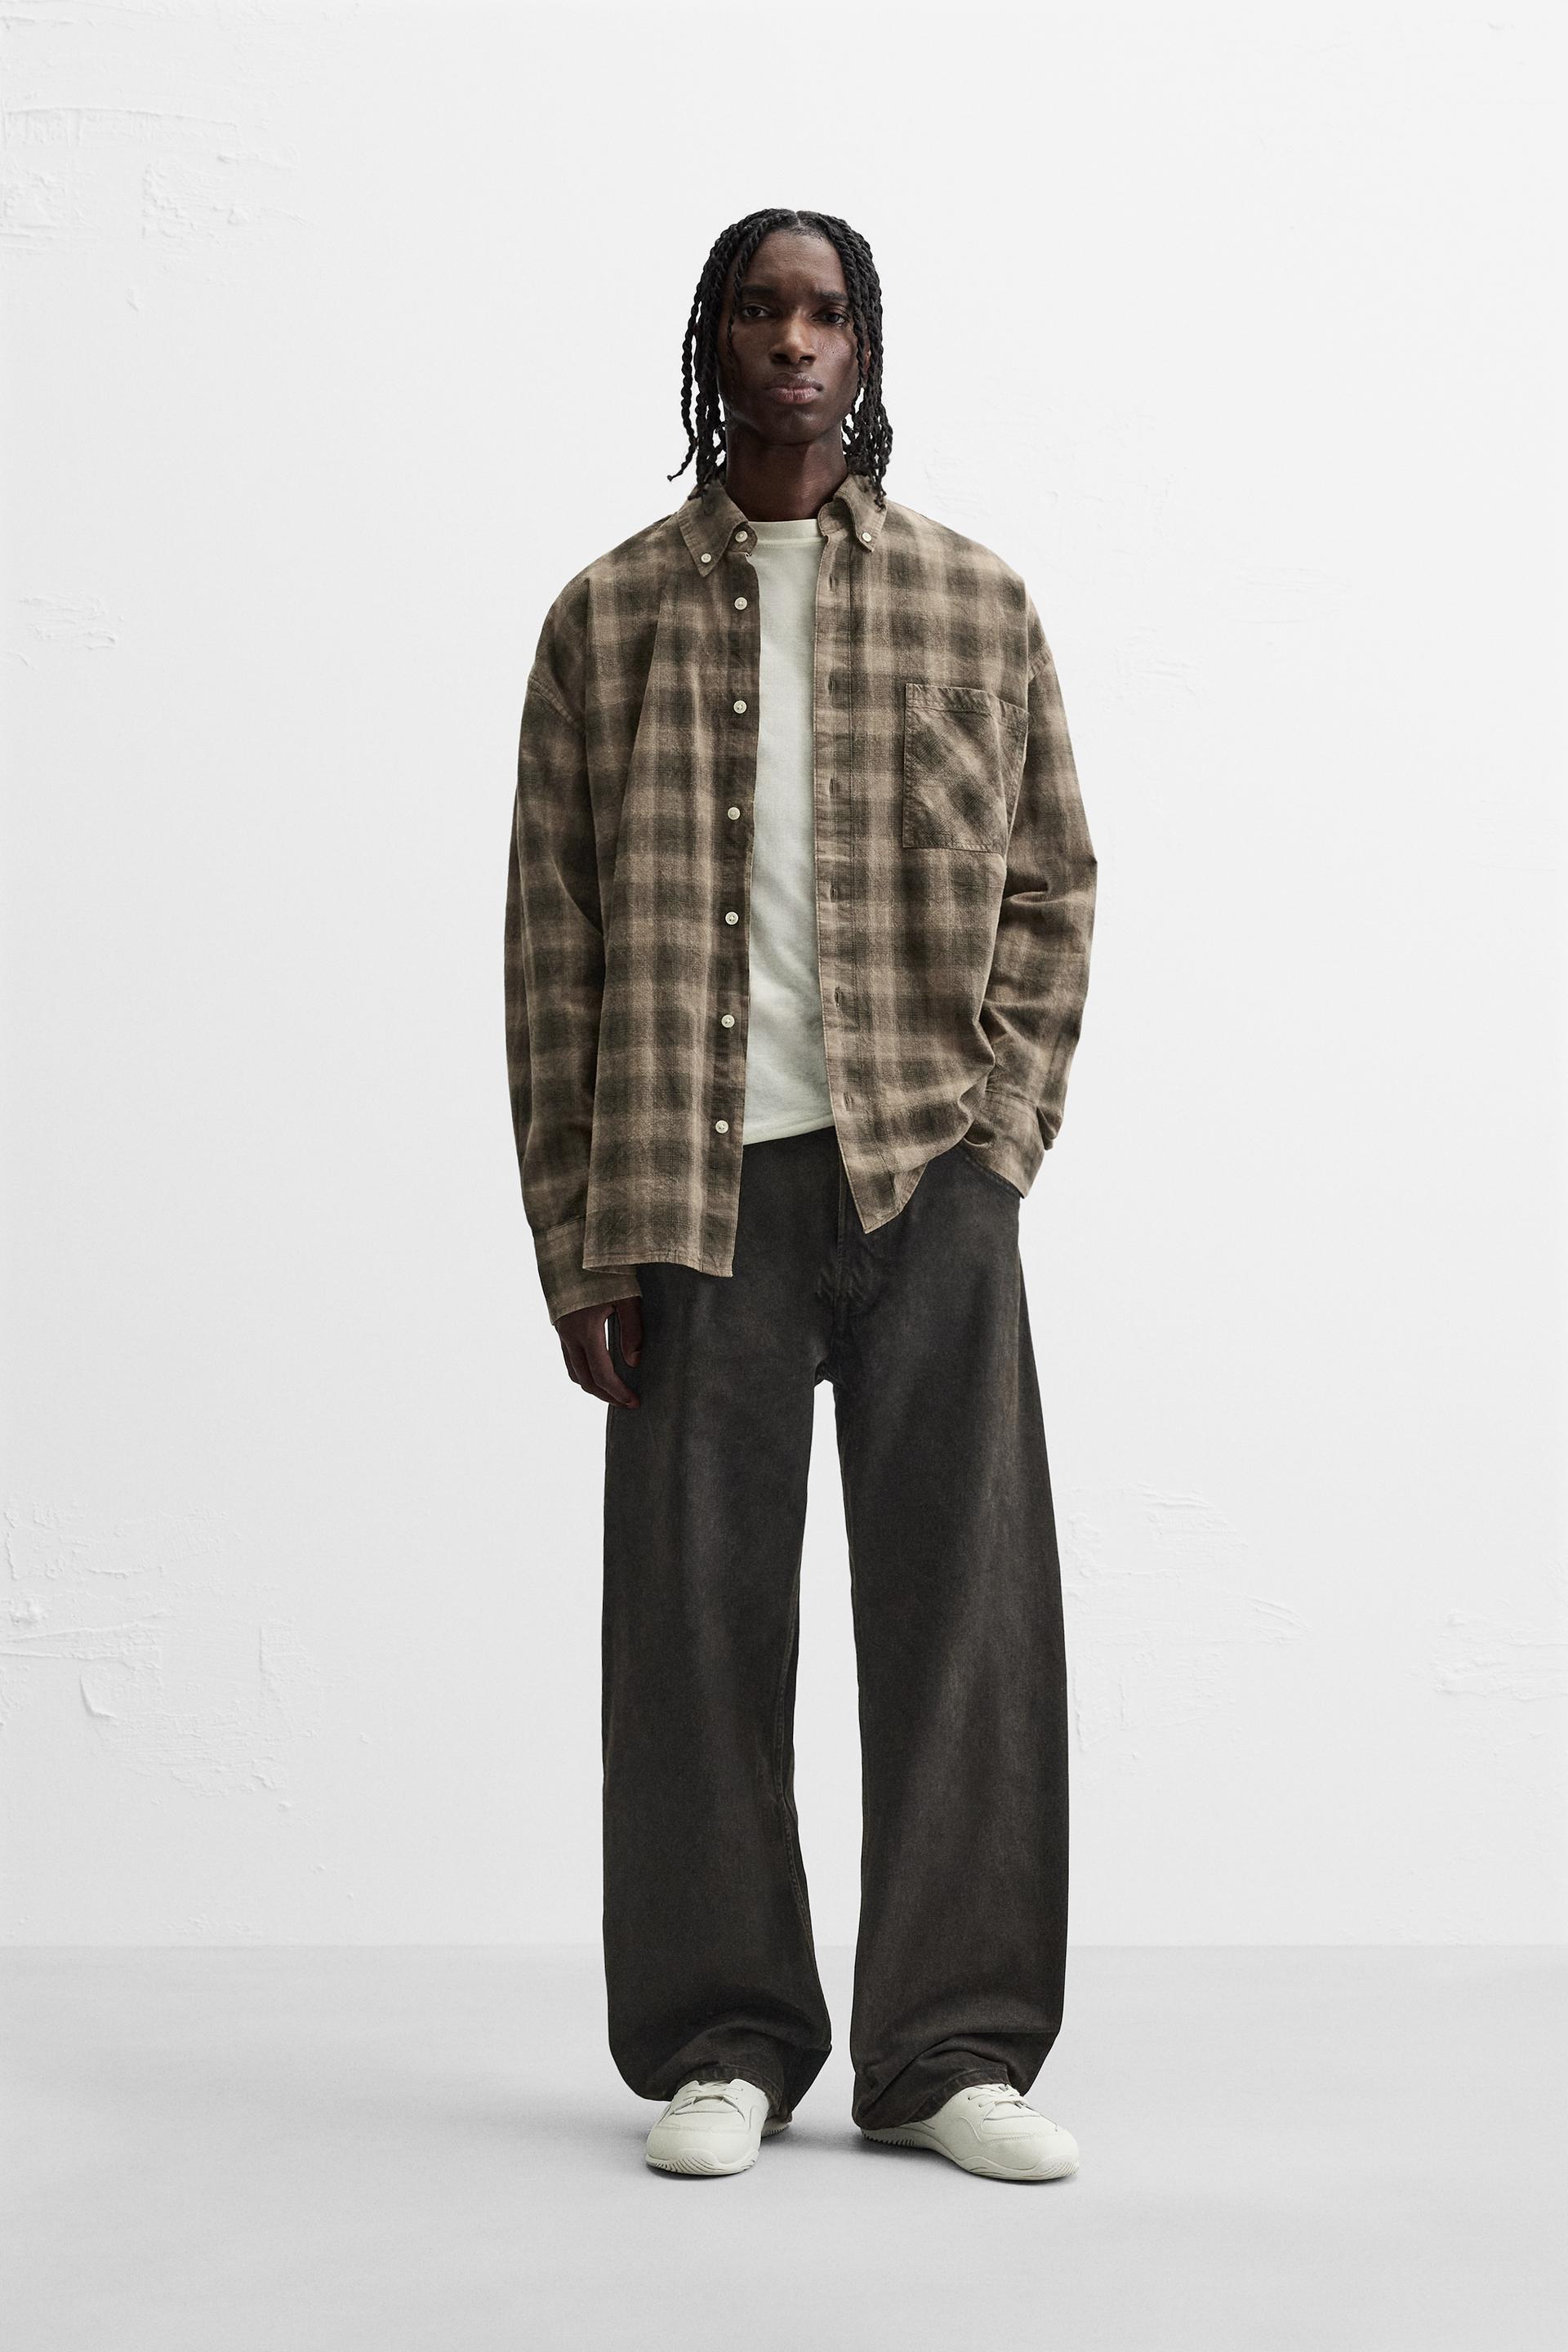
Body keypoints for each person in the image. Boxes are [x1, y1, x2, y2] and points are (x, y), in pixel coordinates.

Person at [504, 207, 1097, 2183]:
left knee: (966, 1621)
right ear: (714, 344)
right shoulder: (605, 621)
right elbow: (552, 949)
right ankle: (724, 2041)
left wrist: (1000, 1140)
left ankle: (949, 2057)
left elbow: (1055, 882)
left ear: (865, 345)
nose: (792, 339)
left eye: (824, 310)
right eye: (758, 309)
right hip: (689, 1189)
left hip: (928, 1176)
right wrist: (575, 1240)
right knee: (693, 1624)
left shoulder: (972, 602)